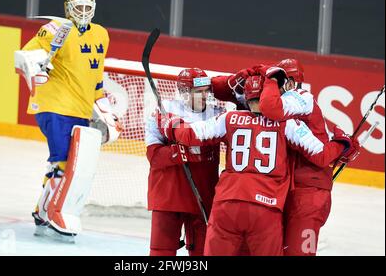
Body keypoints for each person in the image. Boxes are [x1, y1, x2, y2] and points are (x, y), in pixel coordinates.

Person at [157, 74, 359, 255]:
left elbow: (189, 135)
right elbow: (322, 156)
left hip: (227, 206)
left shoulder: (228, 118)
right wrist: (343, 143)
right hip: (266, 209)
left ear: (245, 96)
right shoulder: (286, 124)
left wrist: (169, 122)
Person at [14, 0, 121, 241]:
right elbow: (23, 57)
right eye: (78, 8)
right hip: (54, 105)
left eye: (87, 8)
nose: (83, 13)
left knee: (65, 164)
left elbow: (95, 80)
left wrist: (105, 110)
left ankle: (41, 211)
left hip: (80, 108)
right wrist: (37, 68)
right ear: (68, 9)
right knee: (63, 160)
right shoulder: (54, 29)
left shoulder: (102, 35)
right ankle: (56, 213)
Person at [258, 59, 359, 255]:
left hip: (309, 193)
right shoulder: (297, 108)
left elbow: (321, 153)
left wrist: (342, 144)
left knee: (298, 253)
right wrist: (342, 145)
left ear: (289, 81)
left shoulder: (300, 97)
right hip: (291, 189)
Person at [145, 68, 223, 256]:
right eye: (199, 92)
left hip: (203, 195)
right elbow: (154, 156)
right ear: (184, 92)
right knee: (161, 251)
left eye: (207, 90)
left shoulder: (218, 114)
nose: (204, 96)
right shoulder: (163, 110)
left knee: (203, 252)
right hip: (168, 194)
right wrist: (181, 152)